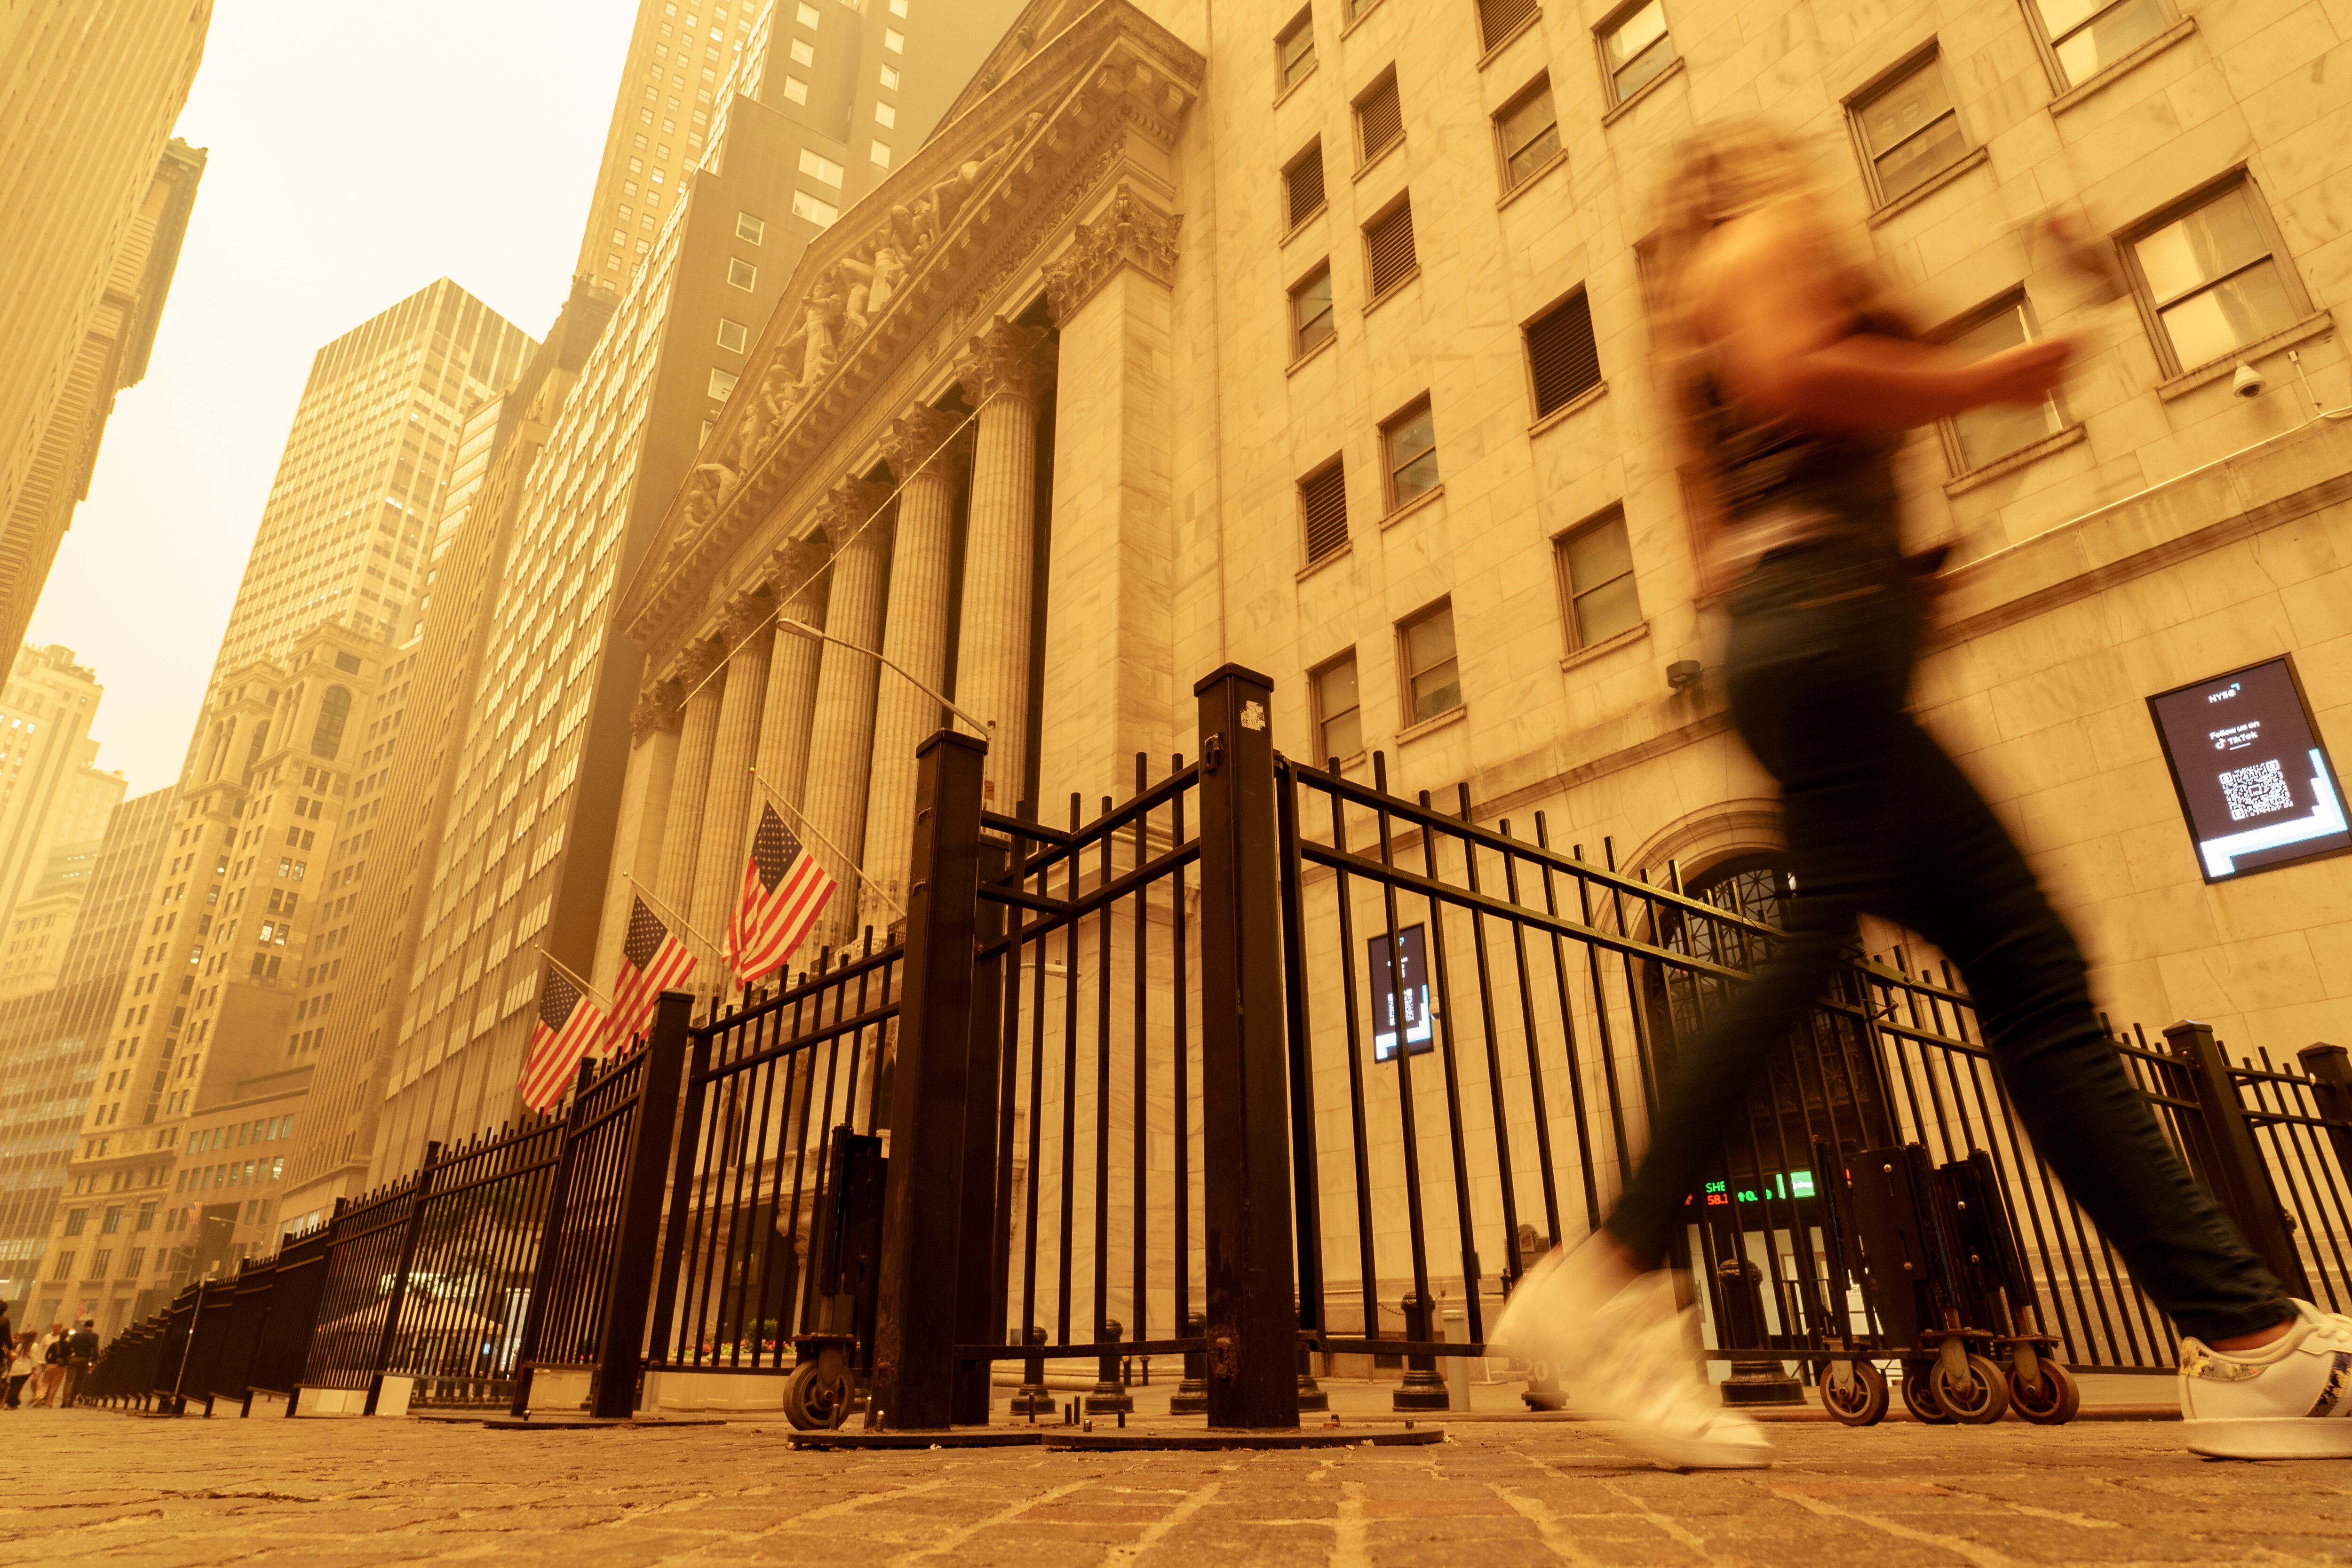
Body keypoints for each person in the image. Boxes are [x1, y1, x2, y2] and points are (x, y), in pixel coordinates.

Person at [1493, 117, 2328, 1467]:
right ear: (1744, 185)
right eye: (1772, 151)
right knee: (1936, 951)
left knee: (2024, 965)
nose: (1796, 162)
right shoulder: (1766, 243)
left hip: (1808, 630)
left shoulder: (1685, 346)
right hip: (1821, 624)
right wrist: (1989, 372)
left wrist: (1895, 584)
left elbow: (1722, 557)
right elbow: (1796, 370)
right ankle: (1610, 1268)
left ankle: (2246, 1337)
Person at [59, 1319, 97, 1407]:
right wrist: (94, 1362)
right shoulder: (95, 1336)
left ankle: (65, 1401)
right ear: (92, 1326)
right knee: (79, 1381)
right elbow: (95, 1350)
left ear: (84, 1326)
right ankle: (71, 1401)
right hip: (85, 1360)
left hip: (74, 1359)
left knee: (69, 1381)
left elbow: (70, 1346)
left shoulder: (77, 1336)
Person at [33, 1324, 67, 1407]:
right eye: (54, 1327)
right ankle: (39, 1397)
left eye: (57, 1327)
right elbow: (41, 1349)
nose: (54, 1328)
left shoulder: (58, 1343)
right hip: (43, 1362)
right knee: (39, 1380)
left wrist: (49, 1361)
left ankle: (45, 1399)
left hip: (51, 1364)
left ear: (60, 1329)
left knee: (49, 1383)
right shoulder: (47, 1337)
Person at [5, 1334, 31, 1409]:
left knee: (12, 1386)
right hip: (25, 1370)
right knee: (17, 1388)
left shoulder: (19, 1346)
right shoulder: (33, 1347)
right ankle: (9, 1402)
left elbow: (14, 1357)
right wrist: (34, 1369)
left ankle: (14, 1404)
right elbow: (34, 1359)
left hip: (15, 1368)